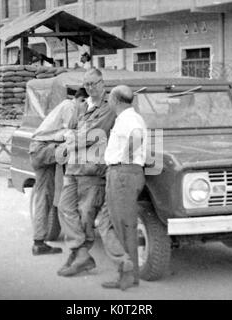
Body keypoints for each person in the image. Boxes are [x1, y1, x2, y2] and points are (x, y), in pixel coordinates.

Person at [57, 68, 116, 276]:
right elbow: (72, 128)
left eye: (94, 83)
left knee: (85, 215)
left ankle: (78, 255)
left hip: (91, 170)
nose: (91, 88)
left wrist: (71, 138)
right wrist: (73, 135)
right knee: (64, 208)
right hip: (74, 166)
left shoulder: (108, 108)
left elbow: (91, 136)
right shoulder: (85, 106)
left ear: (102, 83)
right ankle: (80, 252)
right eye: (87, 84)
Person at [29, 88, 89, 255]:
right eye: (86, 104)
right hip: (44, 149)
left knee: (44, 196)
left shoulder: (68, 106)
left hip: (38, 149)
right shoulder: (70, 106)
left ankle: (39, 242)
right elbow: (73, 135)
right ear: (81, 100)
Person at [100, 85, 147, 291]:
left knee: (117, 225)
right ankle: (129, 274)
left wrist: (123, 160)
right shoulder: (129, 117)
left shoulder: (129, 119)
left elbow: (136, 137)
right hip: (126, 173)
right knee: (124, 225)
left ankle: (125, 269)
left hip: (123, 173)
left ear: (115, 100)